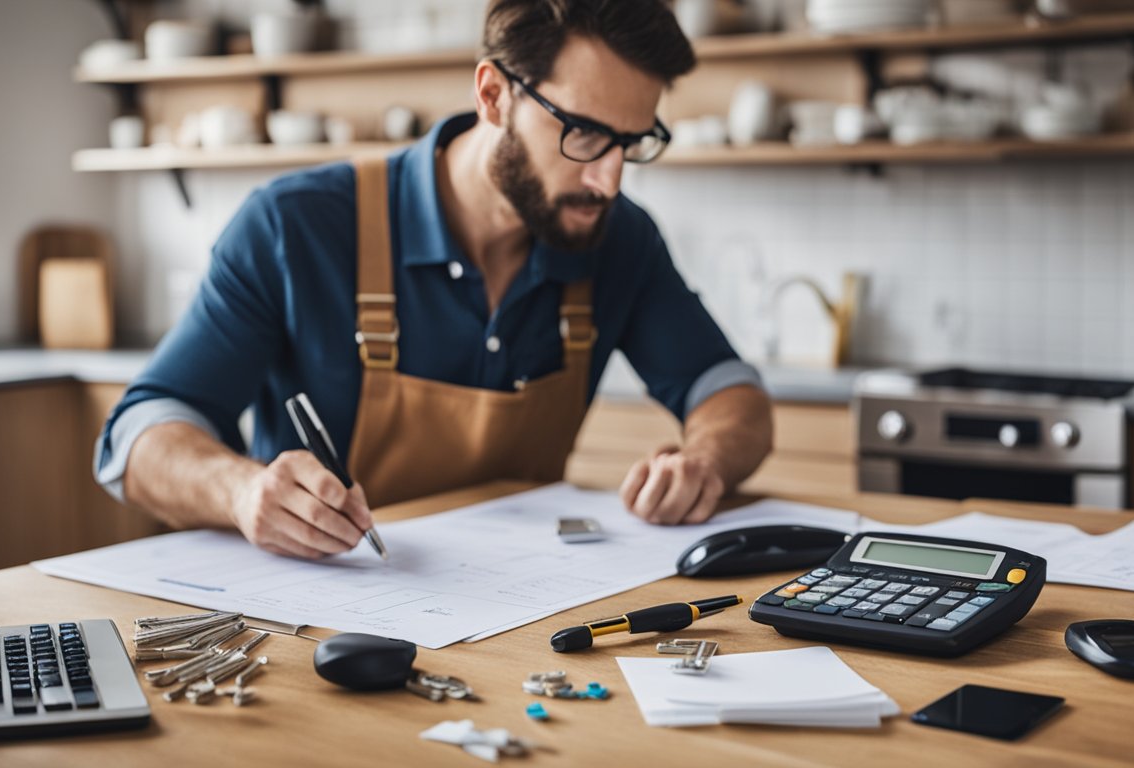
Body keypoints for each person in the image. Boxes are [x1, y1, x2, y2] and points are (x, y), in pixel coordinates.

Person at [95, 0, 774, 560]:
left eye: (632, 142)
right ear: (494, 95)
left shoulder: (616, 237)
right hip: (329, 610)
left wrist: (703, 460)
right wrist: (240, 492)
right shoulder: (295, 226)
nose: (609, 178)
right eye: (585, 135)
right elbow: (138, 435)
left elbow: (732, 395)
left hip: (529, 614)